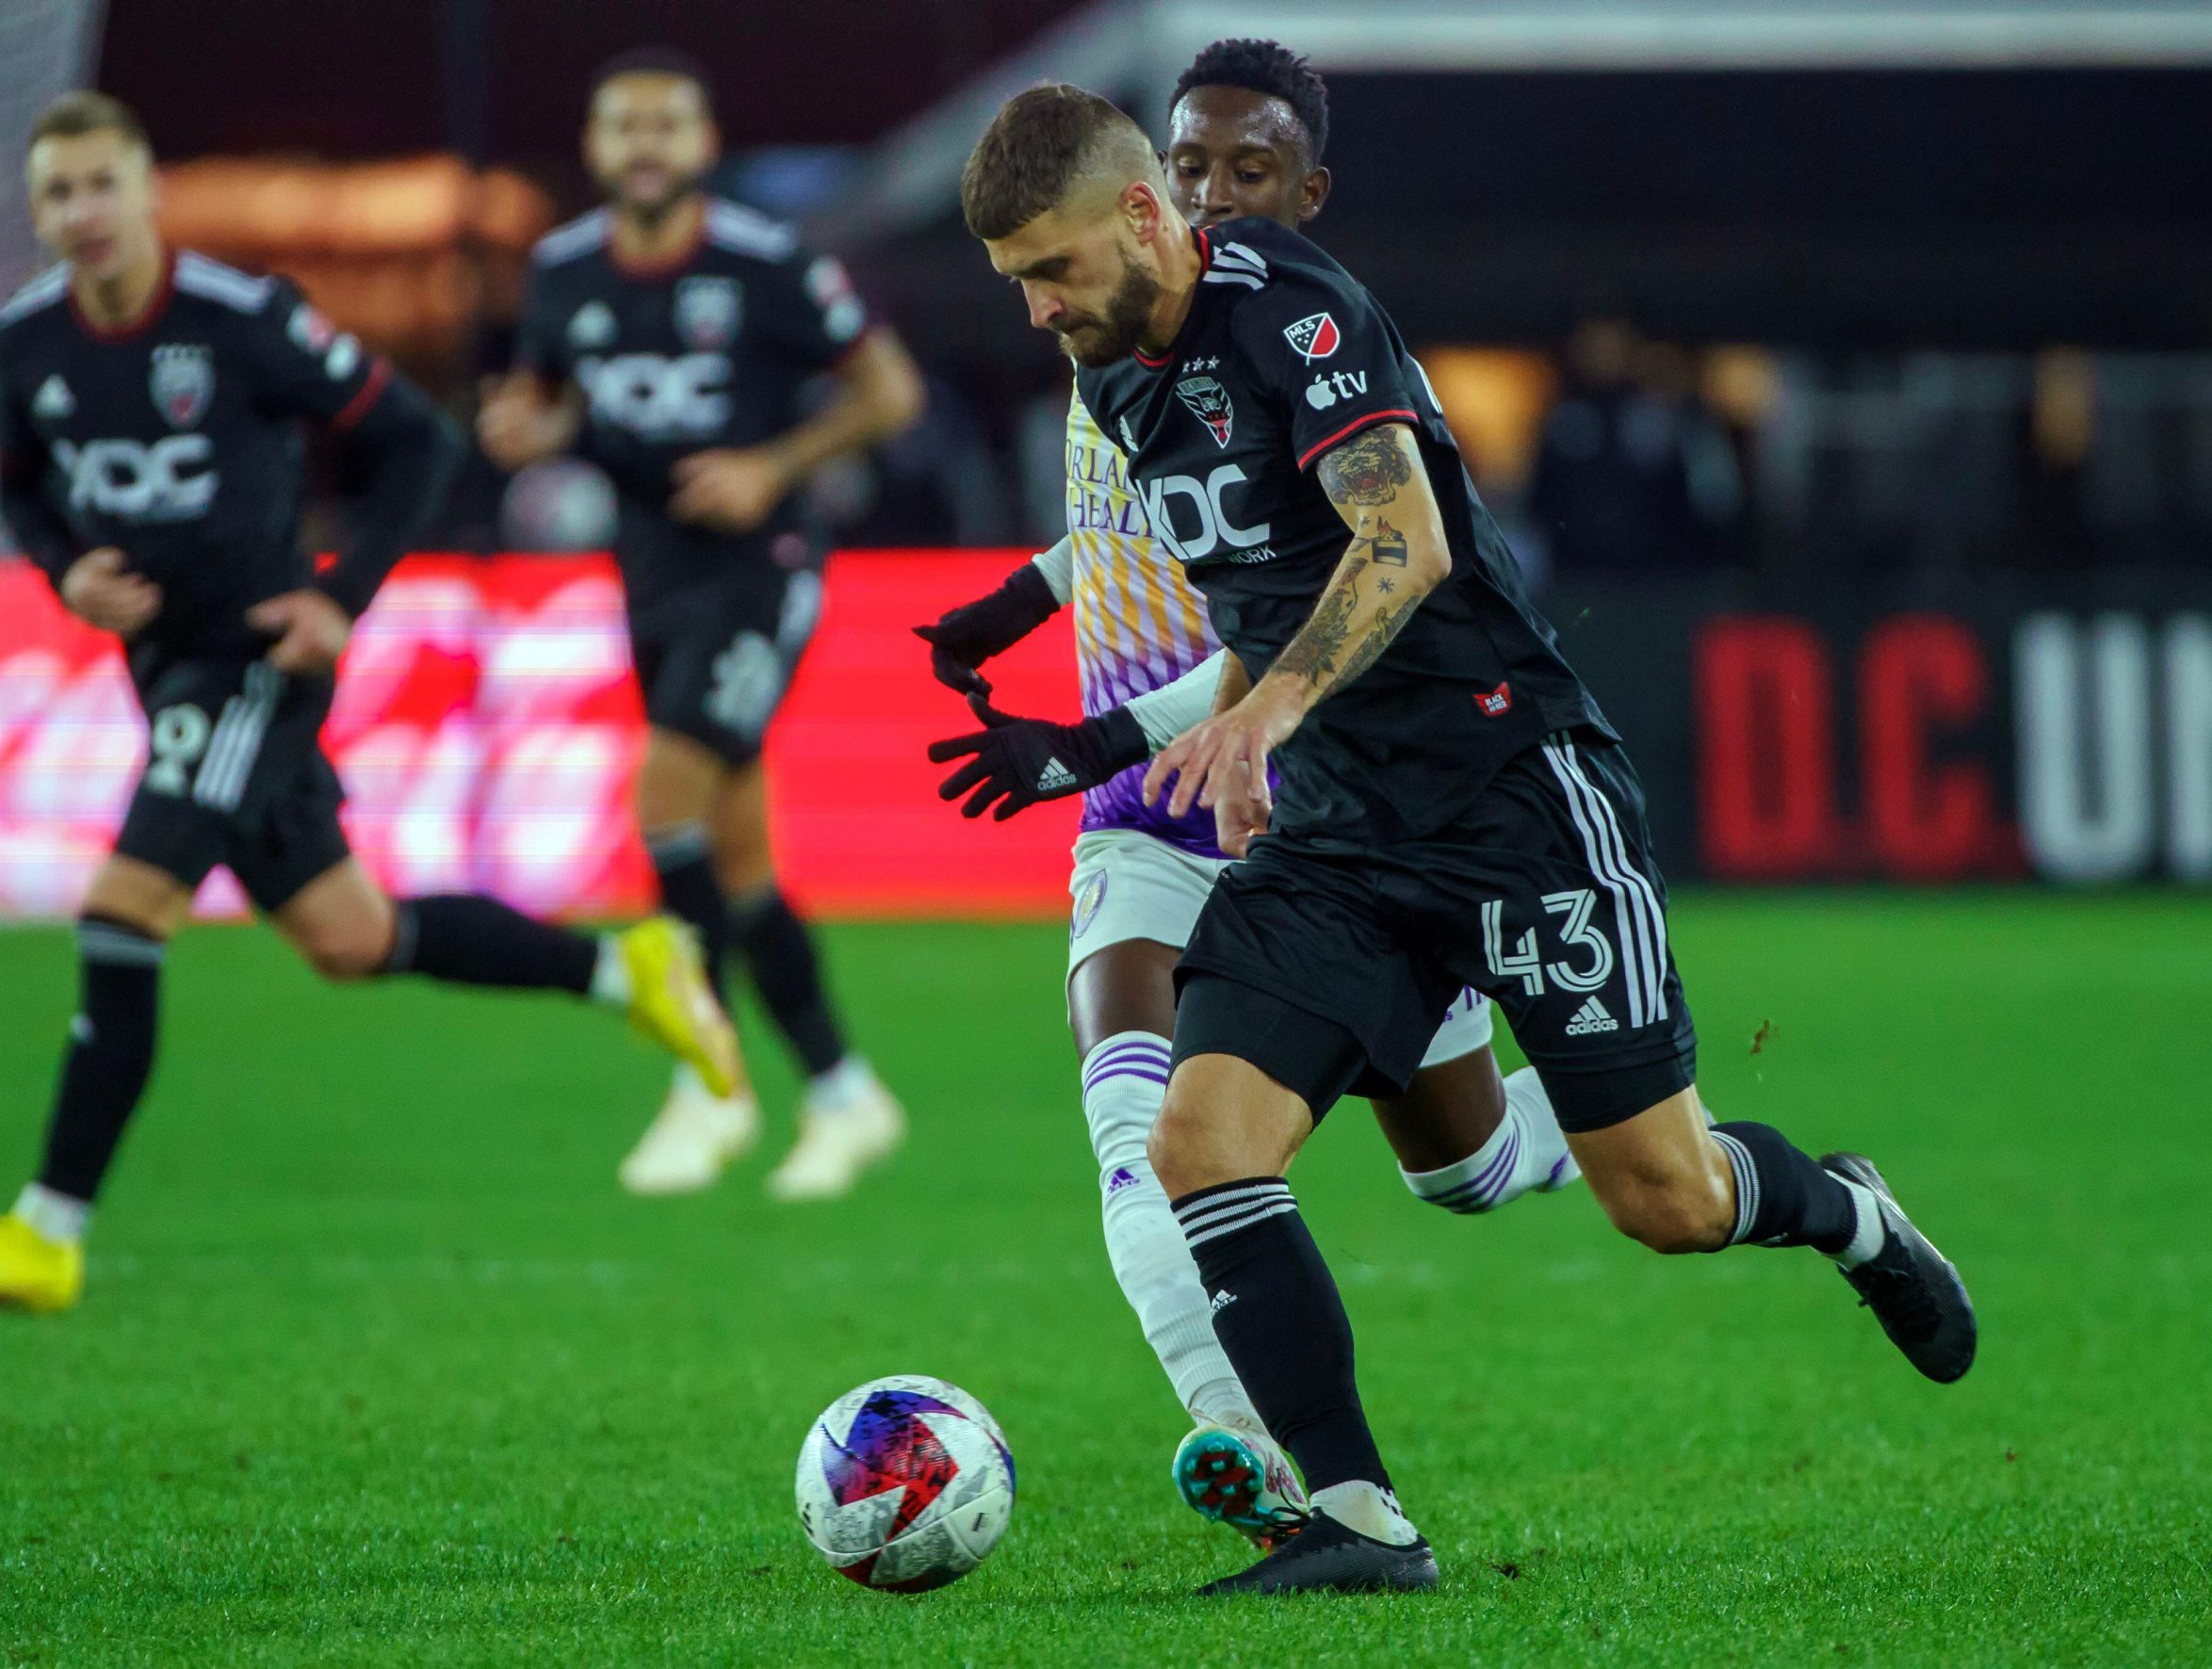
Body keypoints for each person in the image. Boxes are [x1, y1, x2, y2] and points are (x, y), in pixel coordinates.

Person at [959, 83, 1976, 1596]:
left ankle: (1846, 1211)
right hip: (1342, 839)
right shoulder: (1123, 382)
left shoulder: (1296, 307)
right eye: (1016, 285)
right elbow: (1258, 594)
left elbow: (1405, 540)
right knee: (1200, 1140)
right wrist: (1194, 727)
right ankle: (1356, 1519)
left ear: (1137, 215)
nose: (1039, 310)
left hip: (1512, 798)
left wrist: (1260, 722)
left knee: (1667, 1200)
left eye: (1051, 269)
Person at [0, 92, 740, 1317]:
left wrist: (340, 597)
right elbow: (24, 493)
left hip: (256, 659)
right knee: (351, 939)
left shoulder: (240, 319)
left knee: (123, 909)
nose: (81, 213)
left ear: (146, 195)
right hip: (162, 667)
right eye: (57, 194)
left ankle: (45, 1232)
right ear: (37, 214)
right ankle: (628, 973)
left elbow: (415, 444)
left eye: (100, 186)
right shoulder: (25, 343)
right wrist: (61, 570)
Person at [919, 41, 1576, 1549]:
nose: (1213, 197)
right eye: (1191, 167)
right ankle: (1257, 1443)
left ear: (1308, 193)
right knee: (1133, 1129)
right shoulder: (1110, 322)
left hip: (1324, 799)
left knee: (1465, 1171)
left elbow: (1293, 606)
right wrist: (1024, 599)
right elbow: (1143, 512)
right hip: (1153, 823)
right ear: (1150, 185)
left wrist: (1087, 741)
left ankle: (1599, 1124)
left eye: (1248, 175)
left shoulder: (1312, 345)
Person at [480, 49, 926, 1200]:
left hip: (761, 567)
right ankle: (841, 1090)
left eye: (665, 125)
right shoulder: (561, 272)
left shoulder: (768, 263)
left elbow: (890, 393)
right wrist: (528, 431)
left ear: (703, 143)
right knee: (737, 864)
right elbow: (542, 402)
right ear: (593, 147)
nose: (643, 145)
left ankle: (708, 1081)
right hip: (649, 576)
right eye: (622, 125)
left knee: (660, 798)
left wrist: (772, 466)